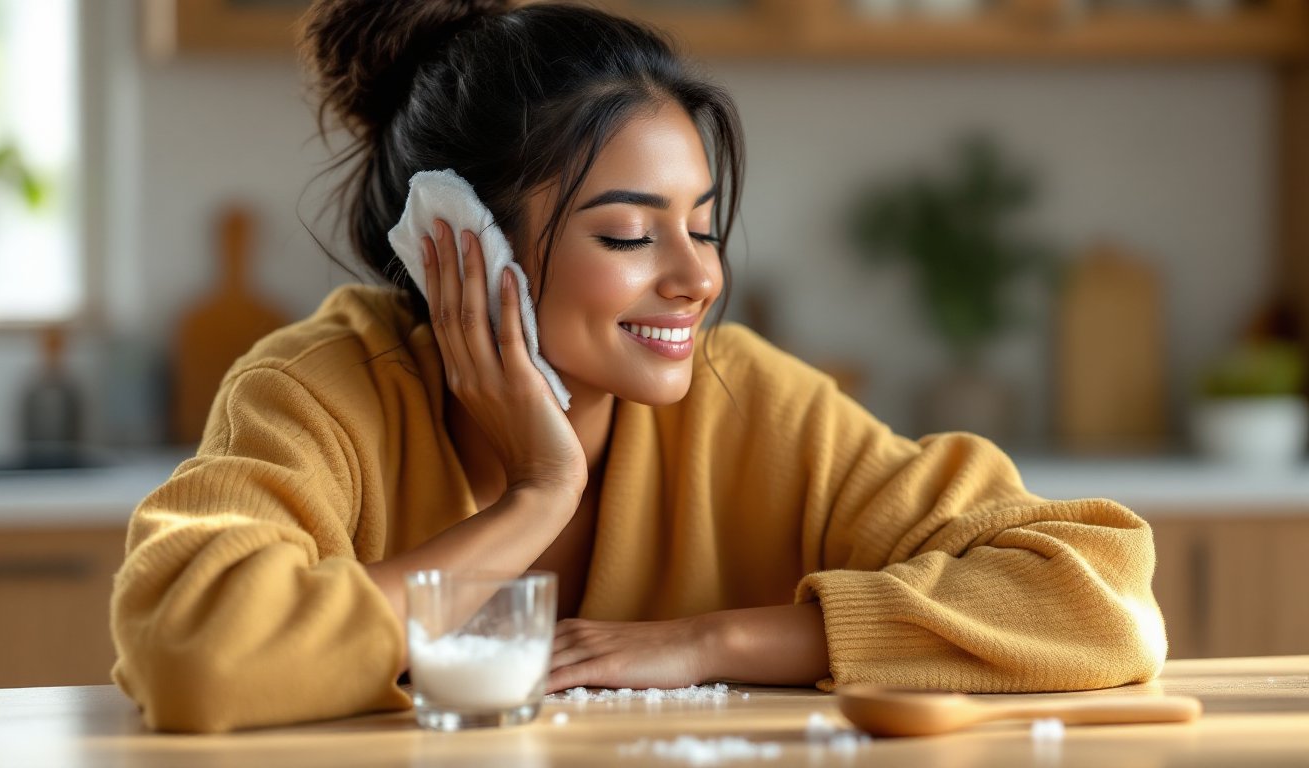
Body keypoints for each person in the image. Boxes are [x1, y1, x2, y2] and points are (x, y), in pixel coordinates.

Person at [110, 0, 1167, 734]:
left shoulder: (746, 399)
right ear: (455, 239)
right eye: (628, 236)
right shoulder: (318, 392)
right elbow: (199, 656)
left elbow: (1098, 603)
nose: (696, 280)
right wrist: (537, 495)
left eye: (702, 230)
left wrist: (712, 643)